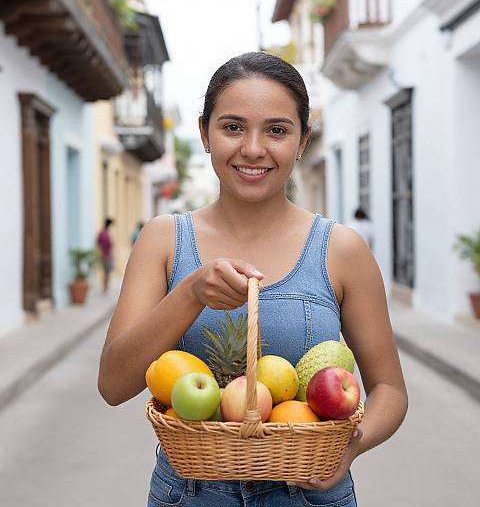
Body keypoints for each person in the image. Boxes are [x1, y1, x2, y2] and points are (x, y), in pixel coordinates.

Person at [98, 52, 408, 506]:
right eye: (233, 127)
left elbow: (390, 389)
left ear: (302, 140)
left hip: (310, 493)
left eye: (277, 130)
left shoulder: (341, 250)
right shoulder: (165, 240)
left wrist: (351, 446)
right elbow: (113, 384)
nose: (253, 149)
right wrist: (189, 294)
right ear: (205, 133)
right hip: (190, 494)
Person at [96, 218, 114, 293]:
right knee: (107, 272)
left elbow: (97, 242)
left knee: (105, 271)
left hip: (103, 255)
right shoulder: (106, 234)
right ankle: (105, 287)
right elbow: (110, 244)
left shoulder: (101, 232)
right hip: (107, 255)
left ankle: (105, 287)